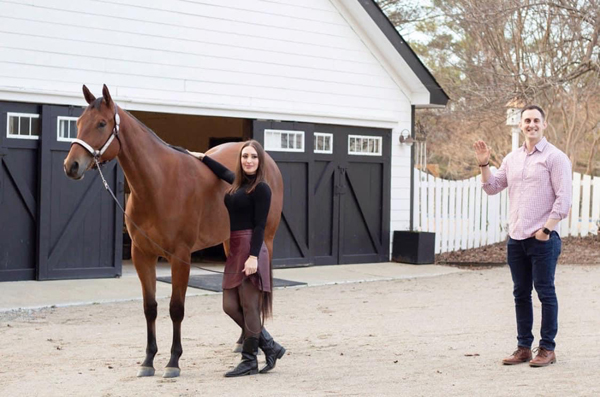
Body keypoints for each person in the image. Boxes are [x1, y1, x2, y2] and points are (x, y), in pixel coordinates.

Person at [473, 105, 572, 367]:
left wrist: (546, 230)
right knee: (520, 294)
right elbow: (492, 187)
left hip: (543, 239)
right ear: (520, 125)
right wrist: (484, 163)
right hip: (516, 239)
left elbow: (564, 199)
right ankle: (523, 348)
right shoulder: (512, 158)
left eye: (536, 120)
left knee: (545, 292)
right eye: (527, 120)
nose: (531, 124)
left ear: (544, 124)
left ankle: (547, 349)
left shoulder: (555, 158)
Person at [189, 140, 285, 377]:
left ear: (259, 161)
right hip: (235, 247)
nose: (249, 160)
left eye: (253, 157)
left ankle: (249, 360)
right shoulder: (237, 183)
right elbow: (222, 172)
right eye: (245, 157)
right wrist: (202, 157)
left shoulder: (262, 188)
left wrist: (253, 256)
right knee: (229, 306)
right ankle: (270, 345)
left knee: (250, 306)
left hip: (251, 247)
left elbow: (261, 225)